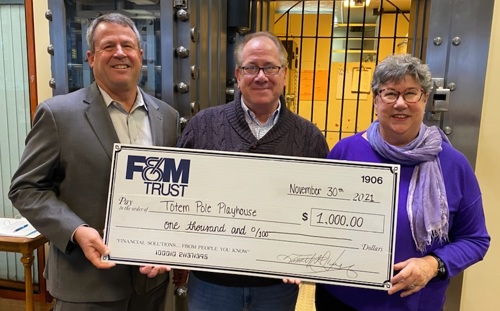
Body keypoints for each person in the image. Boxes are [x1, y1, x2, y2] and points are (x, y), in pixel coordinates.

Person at [9, 13, 179, 311]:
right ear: (90, 57)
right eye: (108, 46)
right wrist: (76, 230)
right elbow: (25, 189)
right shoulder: (58, 115)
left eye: (127, 45)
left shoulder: (167, 116)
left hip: (150, 284)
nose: (119, 53)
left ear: (140, 55)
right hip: (85, 285)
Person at [315, 54, 490, 311]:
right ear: (376, 99)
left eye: (411, 93)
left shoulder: (453, 164)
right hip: (342, 300)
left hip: (415, 303)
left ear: (425, 99)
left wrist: (433, 264)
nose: (400, 104)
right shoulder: (346, 152)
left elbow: (475, 239)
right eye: (389, 94)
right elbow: (318, 220)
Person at [176, 31, 330, 310]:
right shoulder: (203, 126)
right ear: (238, 74)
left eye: (270, 67)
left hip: (277, 288)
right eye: (251, 67)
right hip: (212, 285)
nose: (261, 76)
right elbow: (176, 196)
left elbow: (321, 209)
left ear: (284, 73)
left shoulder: (309, 138)